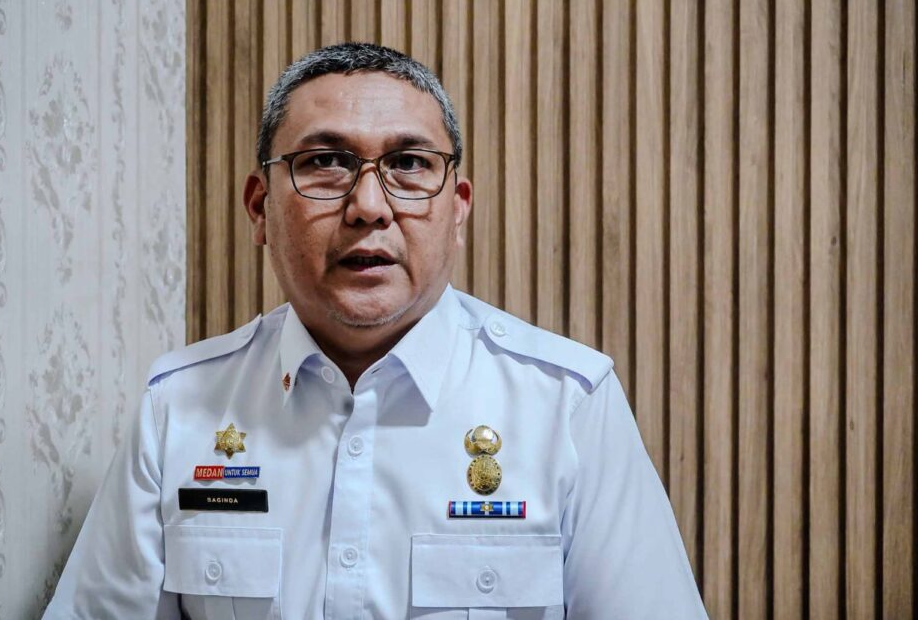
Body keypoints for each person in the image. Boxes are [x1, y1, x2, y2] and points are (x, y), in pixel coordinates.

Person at [44, 42, 707, 619]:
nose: (368, 207)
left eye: (410, 164)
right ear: (260, 208)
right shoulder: (179, 406)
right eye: (326, 162)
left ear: (457, 210)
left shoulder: (567, 403)